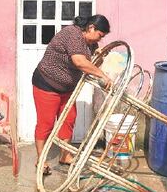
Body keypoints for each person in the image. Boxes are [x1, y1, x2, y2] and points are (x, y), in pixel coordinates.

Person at [32, 14, 112, 174]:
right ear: (91, 28)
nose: (99, 40)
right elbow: (79, 62)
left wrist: (101, 56)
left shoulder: (90, 43)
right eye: (99, 35)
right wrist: (103, 75)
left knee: (68, 120)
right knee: (46, 123)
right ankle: (41, 160)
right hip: (47, 84)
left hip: (67, 89)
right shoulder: (72, 34)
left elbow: (92, 63)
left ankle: (65, 155)